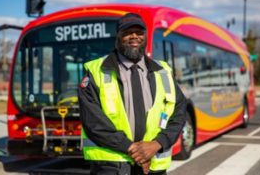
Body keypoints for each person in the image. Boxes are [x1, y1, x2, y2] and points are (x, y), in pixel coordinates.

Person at [78, 13, 186, 175]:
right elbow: (93, 120)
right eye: (128, 32)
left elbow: (179, 112)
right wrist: (133, 150)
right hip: (112, 166)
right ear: (118, 37)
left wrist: (157, 143)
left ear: (145, 36)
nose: (134, 36)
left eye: (139, 32)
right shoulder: (96, 71)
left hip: (154, 165)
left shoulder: (163, 71)